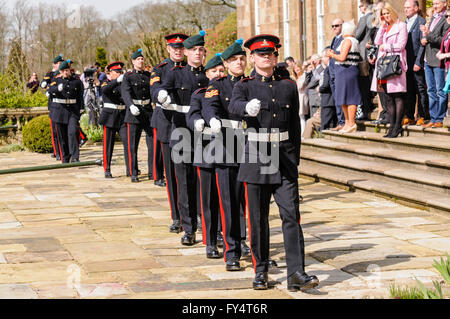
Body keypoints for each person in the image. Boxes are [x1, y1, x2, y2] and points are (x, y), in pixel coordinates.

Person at [229, 34, 319, 291]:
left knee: (291, 216)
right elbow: (234, 106)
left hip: (284, 157)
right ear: (252, 58)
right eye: (261, 54)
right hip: (257, 156)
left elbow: (293, 127)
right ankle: (260, 270)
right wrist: (247, 108)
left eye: (271, 53)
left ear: (276, 56)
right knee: (257, 219)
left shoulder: (288, 85)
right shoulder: (243, 86)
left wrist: (295, 159)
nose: (267, 57)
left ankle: (296, 272)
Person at [202, 39, 252, 271]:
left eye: (242, 58)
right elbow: (211, 104)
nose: (239, 62)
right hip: (227, 146)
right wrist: (212, 118)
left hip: (252, 146)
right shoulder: (219, 84)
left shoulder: (253, 83)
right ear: (226, 63)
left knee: (251, 203)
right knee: (229, 203)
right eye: (234, 60)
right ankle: (232, 251)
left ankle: (249, 245)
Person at [157, 31, 209, 246]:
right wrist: (161, 95)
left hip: (205, 133)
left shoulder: (209, 75)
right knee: (185, 181)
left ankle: (206, 222)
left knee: (204, 180)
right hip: (181, 131)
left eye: (201, 50)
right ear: (186, 52)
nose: (197, 53)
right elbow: (163, 87)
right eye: (194, 50)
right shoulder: (175, 73)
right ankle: (188, 228)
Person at [187, 53, 225, 259]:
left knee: (230, 200)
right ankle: (210, 241)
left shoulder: (231, 91)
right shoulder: (200, 94)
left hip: (229, 149)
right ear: (207, 74)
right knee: (209, 198)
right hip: (207, 148)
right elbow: (192, 113)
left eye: (221, 71)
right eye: (214, 71)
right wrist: (197, 122)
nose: (218, 74)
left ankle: (230, 237)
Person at [150, 33, 188, 233]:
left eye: (181, 47)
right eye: (175, 47)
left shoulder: (191, 69)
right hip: (167, 123)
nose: (178, 50)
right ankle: (177, 216)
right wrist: (160, 95)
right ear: (168, 49)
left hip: (189, 125)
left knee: (192, 173)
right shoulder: (160, 69)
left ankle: (194, 212)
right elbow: (154, 88)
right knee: (172, 174)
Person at [369, 3, 408, 138]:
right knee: (388, 98)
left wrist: (386, 47)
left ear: (392, 12)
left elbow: (401, 45)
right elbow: (376, 41)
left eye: (387, 13)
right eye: (383, 14)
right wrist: (381, 26)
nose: (386, 16)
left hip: (395, 65)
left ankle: (398, 126)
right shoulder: (385, 27)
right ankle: (391, 127)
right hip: (384, 66)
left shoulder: (401, 26)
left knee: (397, 96)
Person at [121, 49, 155, 182]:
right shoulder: (128, 76)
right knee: (132, 145)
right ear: (133, 61)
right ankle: (133, 171)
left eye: (142, 59)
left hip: (147, 111)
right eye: (138, 59)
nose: (141, 61)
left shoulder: (148, 75)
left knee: (152, 144)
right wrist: (130, 105)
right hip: (134, 113)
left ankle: (153, 172)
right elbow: (125, 93)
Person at [327, 21, 362, 133]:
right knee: (343, 98)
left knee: (350, 98)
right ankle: (347, 123)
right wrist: (334, 52)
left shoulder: (348, 40)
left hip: (347, 71)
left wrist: (332, 55)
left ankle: (351, 123)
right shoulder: (353, 40)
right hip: (343, 72)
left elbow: (342, 57)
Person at [48, 60, 84, 163]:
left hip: (72, 111)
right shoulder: (56, 80)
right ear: (60, 71)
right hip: (60, 111)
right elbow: (50, 89)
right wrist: (57, 89)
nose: (65, 73)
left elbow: (80, 95)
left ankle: (75, 156)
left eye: (67, 70)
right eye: (63, 71)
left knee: (73, 132)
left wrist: (81, 107)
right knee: (62, 136)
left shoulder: (76, 81)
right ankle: (65, 157)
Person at [98, 62, 130, 179]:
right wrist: (116, 81)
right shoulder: (106, 83)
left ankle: (130, 169)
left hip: (122, 116)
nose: (119, 74)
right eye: (116, 72)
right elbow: (105, 90)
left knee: (128, 143)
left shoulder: (123, 84)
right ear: (110, 73)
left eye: (120, 72)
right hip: (110, 117)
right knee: (108, 145)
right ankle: (107, 169)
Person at [421, 0, 449, 128]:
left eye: (437, 3)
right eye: (433, 4)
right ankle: (433, 117)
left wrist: (428, 35)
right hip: (428, 59)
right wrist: (424, 39)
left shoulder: (446, 19)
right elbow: (431, 37)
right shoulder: (433, 17)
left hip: (438, 60)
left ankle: (440, 117)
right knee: (431, 90)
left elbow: (443, 40)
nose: (435, 6)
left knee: (440, 90)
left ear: (445, 3)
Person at [404, 0, 429, 126]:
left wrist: (418, 62)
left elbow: (422, 44)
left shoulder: (421, 22)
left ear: (416, 8)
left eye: (408, 7)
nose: (405, 9)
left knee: (420, 89)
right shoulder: (404, 23)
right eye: (405, 7)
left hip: (416, 60)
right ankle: (410, 115)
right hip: (406, 61)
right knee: (409, 89)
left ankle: (422, 115)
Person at [42, 54, 64, 161]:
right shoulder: (50, 74)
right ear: (54, 64)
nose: (61, 65)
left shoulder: (64, 73)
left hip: (63, 105)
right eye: (59, 63)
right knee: (54, 131)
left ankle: (64, 151)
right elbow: (44, 83)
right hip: (53, 104)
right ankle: (57, 152)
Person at [356, 1, 375, 120]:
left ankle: (366, 109)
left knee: (364, 85)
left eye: (360, 7)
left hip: (363, 56)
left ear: (365, 7)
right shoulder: (373, 18)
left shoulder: (365, 18)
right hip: (369, 54)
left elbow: (357, 35)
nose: (360, 9)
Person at [329, 18, 345, 131]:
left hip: (340, 72)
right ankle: (340, 121)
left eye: (337, 25)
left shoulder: (344, 39)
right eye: (333, 26)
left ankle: (343, 122)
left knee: (341, 99)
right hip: (333, 72)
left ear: (342, 26)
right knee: (337, 99)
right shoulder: (335, 39)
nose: (334, 28)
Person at [319, 48, 337, 131]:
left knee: (325, 124)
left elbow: (326, 84)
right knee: (333, 123)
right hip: (333, 100)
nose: (322, 59)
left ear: (328, 57)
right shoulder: (334, 66)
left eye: (323, 57)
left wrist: (319, 89)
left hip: (327, 100)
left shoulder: (328, 69)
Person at [293, 62, 309, 137]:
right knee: (298, 116)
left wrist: (295, 80)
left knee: (302, 116)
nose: (297, 69)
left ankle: (303, 134)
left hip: (302, 97)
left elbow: (300, 87)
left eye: (298, 67)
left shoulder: (303, 76)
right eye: (295, 68)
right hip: (297, 98)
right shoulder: (296, 77)